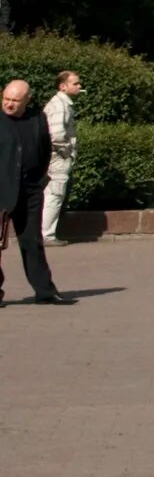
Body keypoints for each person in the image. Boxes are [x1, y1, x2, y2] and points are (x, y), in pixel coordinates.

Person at [1, 79, 74, 305]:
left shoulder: (37, 118)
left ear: (27, 100)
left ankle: (45, 290)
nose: (9, 104)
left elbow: (44, 150)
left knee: (33, 241)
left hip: (30, 190)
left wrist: (40, 180)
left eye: (15, 100)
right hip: (1, 188)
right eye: (6, 99)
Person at [41, 69, 79, 245]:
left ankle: (44, 233)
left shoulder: (61, 103)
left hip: (55, 154)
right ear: (63, 86)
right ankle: (46, 235)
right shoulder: (59, 105)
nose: (79, 86)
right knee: (55, 194)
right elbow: (56, 134)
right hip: (58, 156)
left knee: (52, 194)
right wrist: (67, 151)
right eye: (75, 83)